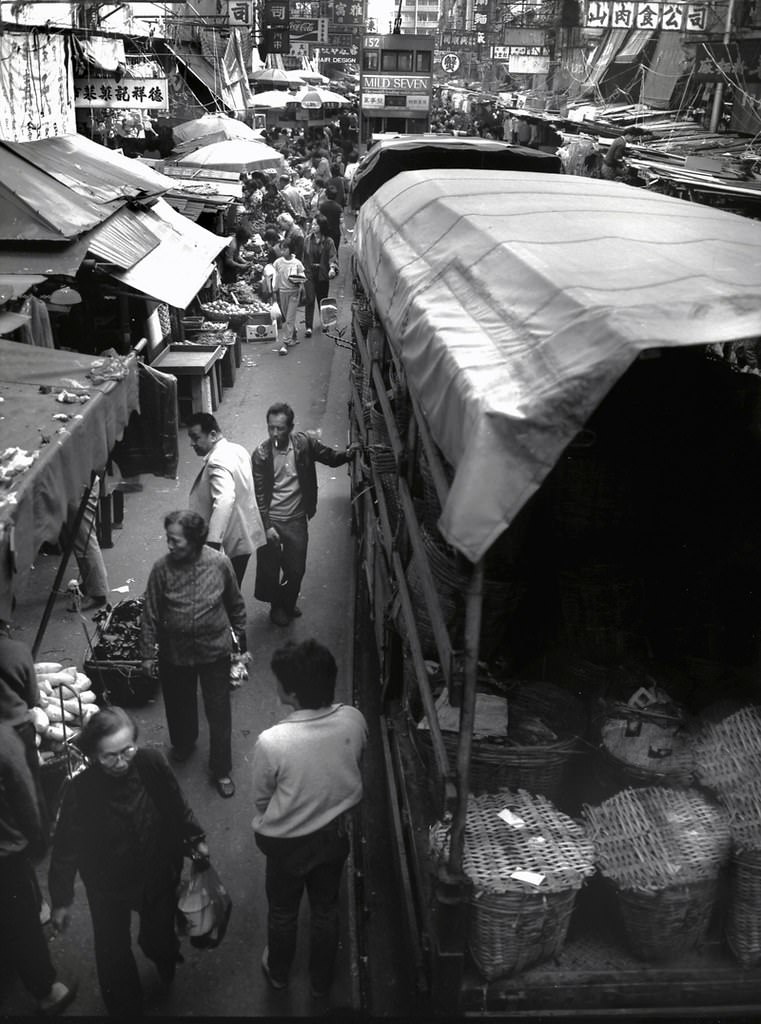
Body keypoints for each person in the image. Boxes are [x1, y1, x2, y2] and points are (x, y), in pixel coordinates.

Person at [48, 707, 208, 1016]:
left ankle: (164, 960)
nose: (121, 762)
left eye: (127, 750)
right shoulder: (80, 791)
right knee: (112, 953)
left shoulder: (151, 763)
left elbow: (176, 804)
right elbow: (67, 848)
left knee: (160, 937)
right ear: (94, 754)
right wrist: (61, 900)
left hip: (157, 871)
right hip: (107, 886)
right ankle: (126, 1009)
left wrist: (195, 838)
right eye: (109, 756)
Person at [252, 639, 367, 997]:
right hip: (334, 835)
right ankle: (321, 980)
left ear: (291, 693)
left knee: (284, 910)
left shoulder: (273, 742)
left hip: (287, 844)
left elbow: (261, 798)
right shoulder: (353, 718)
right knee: (325, 907)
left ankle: (280, 971)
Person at [139, 510, 246, 798]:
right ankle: (184, 743)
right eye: (168, 539)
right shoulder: (161, 569)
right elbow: (149, 612)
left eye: (176, 540)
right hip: (176, 652)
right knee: (178, 703)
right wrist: (147, 653)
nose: (170, 545)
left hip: (215, 651)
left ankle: (221, 769)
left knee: (219, 710)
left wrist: (239, 647)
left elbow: (235, 604)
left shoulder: (220, 563)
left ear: (195, 540)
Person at [251, 403, 359, 626]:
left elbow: (328, 456)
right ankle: (277, 608)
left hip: (297, 520)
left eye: (280, 428)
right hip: (273, 521)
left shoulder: (304, 444)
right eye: (271, 428)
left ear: (290, 427)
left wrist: (348, 454)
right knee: (271, 570)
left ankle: (288, 603)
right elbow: (259, 495)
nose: (274, 433)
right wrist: (267, 526)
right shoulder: (261, 455)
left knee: (296, 569)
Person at [0, 722, 77, 1016]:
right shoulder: (4, 740)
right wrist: (38, 842)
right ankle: (47, 991)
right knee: (20, 920)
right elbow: (25, 800)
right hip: (5, 853)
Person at [187, 413, 266, 586]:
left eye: (195, 437)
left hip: (229, 542)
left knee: (222, 595)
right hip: (245, 535)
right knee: (232, 589)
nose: (192, 443)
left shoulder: (217, 461)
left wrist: (212, 545)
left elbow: (225, 499)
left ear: (213, 435)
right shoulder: (238, 450)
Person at [302, 214, 339, 338]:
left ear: (321, 226)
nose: (313, 227)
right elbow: (303, 257)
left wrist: (332, 268)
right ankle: (308, 326)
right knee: (310, 299)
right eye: (312, 224)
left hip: (322, 273)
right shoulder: (307, 239)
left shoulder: (329, 241)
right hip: (309, 272)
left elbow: (332, 256)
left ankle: (325, 324)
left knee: (322, 299)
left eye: (316, 224)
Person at [271, 238, 307, 354]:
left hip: (294, 292)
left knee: (289, 318)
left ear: (290, 249)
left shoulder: (297, 263)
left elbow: (302, 277)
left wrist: (301, 288)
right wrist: (274, 290)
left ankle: (285, 343)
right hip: (282, 292)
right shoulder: (278, 262)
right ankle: (294, 333)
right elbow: (275, 276)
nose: (282, 251)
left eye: (285, 249)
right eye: (281, 249)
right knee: (287, 317)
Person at [319, 185, 344, 255]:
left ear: (326, 195)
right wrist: (344, 236)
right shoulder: (339, 208)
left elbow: (319, 220)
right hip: (336, 233)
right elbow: (342, 223)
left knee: (324, 253)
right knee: (335, 252)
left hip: (324, 233)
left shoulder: (322, 207)